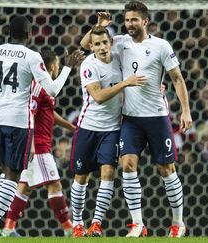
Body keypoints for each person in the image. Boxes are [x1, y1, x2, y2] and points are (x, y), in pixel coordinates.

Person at [0, 15, 84, 238]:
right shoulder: (31, 56)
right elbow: (53, 89)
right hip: (19, 120)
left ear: (9, 32)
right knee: (14, 175)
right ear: (29, 34)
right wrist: (67, 67)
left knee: (5, 173)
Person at [80, 1, 192, 238]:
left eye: (133, 20)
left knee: (166, 169)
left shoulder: (161, 46)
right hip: (130, 118)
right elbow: (84, 45)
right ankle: (138, 224)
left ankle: (178, 222)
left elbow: (177, 78)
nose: (129, 24)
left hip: (157, 117)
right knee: (127, 165)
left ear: (145, 21)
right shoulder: (119, 42)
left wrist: (185, 110)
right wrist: (99, 26)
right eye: (126, 19)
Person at [71, 26, 147, 238]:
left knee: (108, 174)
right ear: (92, 47)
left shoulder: (117, 58)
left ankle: (96, 223)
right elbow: (98, 96)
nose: (102, 47)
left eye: (105, 42)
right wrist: (124, 83)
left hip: (112, 128)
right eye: (97, 44)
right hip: (88, 127)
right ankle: (77, 223)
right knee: (81, 177)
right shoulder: (88, 65)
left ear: (110, 42)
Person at [1, 49, 76, 237]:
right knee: (55, 185)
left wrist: (71, 127)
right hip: (38, 146)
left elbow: (48, 113)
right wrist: (32, 143)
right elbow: (29, 113)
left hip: (35, 144)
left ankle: (8, 228)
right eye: (58, 65)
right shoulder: (38, 85)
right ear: (51, 66)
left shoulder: (47, 87)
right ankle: (68, 228)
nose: (58, 68)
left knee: (24, 188)